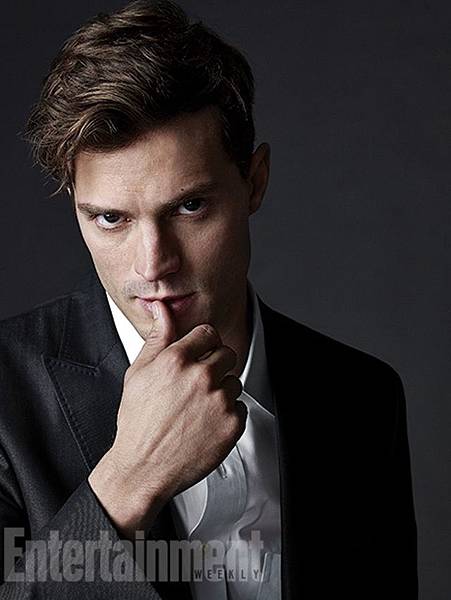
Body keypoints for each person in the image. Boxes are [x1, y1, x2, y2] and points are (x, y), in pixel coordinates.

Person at [0, 0, 417, 598]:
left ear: (255, 181)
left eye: (190, 207)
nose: (152, 265)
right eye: (111, 218)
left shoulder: (363, 399)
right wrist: (127, 484)